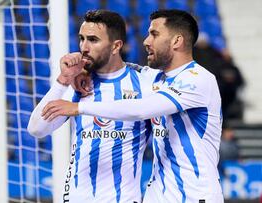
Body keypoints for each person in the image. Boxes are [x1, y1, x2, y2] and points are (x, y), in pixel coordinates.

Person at [42, 9, 224, 203]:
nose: (146, 41)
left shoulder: (198, 79)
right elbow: (119, 70)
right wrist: (84, 70)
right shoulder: (154, 79)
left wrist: (79, 108)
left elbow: (141, 110)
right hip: (157, 195)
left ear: (176, 41)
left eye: (154, 34)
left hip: (195, 196)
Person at [28, 10, 157, 203]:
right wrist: (63, 80)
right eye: (82, 39)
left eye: (93, 40)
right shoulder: (77, 84)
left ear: (116, 46)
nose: (84, 47)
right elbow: (37, 129)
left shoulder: (144, 83)